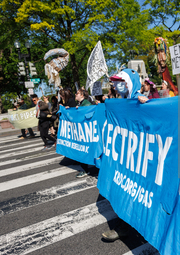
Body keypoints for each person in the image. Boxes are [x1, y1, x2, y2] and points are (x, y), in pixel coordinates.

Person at [102, 68, 145, 241]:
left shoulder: (140, 100)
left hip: (141, 158)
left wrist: (146, 104)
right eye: (116, 81)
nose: (117, 85)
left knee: (137, 192)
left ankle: (127, 227)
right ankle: (126, 224)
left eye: (121, 81)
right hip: (125, 157)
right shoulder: (119, 103)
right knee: (125, 190)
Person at [74, 88, 93, 178]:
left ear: (82, 95)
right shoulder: (80, 104)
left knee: (84, 149)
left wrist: (79, 110)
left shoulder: (86, 104)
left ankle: (85, 170)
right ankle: (85, 168)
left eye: (77, 93)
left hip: (86, 131)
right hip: (82, 131)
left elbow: (90, 114)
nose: (75, 95)